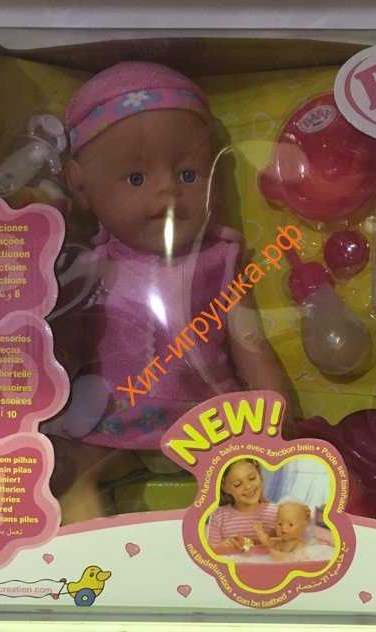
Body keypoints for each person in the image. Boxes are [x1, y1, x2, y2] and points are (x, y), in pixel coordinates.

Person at [42, 62, 292, 525]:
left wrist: (275, 408)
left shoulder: (218, 260)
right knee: (64, 469)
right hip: (111, 424)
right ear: (81, 186)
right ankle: (82, 548)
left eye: (189, 174)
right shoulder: (86, 269)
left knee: (254, 479)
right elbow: (63, 348)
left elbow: (249, 342)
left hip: (209, 422)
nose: (168, 190)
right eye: (136, 178)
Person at [206, 459, 278, 551]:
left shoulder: (276, 513)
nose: (248, 486)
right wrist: (224, 547)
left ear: (259, 475)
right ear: (225, 487)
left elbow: (287, 547)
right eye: (238, 484)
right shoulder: (218, 516)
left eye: (252, 478)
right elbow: (210, 554)